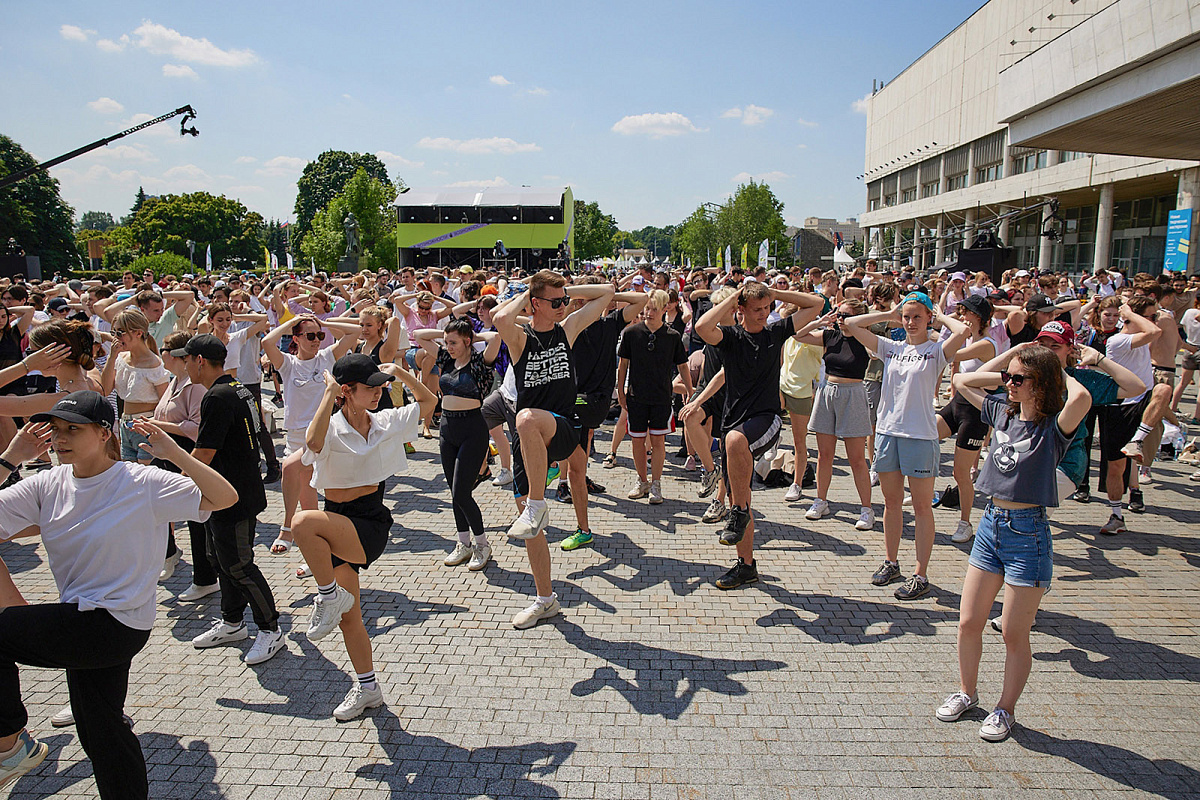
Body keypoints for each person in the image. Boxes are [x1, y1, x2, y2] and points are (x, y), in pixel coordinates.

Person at [0, 392, 236, 797]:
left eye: (73, 428)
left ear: (104, 432)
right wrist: (8, 459)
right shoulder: (47, 484)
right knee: (100, 729)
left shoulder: (141, 482)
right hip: (80, 618)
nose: (61, 438)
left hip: (115, 623)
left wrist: (174, 453)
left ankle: (9, 742)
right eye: (56, 429)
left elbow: (225, 497)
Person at [937, 344, 1090, 742]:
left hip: (1028, 534)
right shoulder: (1001, 410)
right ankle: (967, 692)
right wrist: (1011, 362)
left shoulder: (1053, 427)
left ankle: (1006, 709)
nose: (1009, 384)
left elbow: (1083, 397)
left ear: (1040, 385)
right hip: (990, 526)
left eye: (1018, 380)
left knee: (1012, 634)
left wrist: (1057, 370)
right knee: (969, 622)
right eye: (1008, 378)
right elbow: (962, 380)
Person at [292, 354, 435, 719]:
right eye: (370, 387)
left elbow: (429, 402)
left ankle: (327, 596)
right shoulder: (331, 425)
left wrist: (399, 372)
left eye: (379, 386)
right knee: (350, 617)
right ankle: (368, 687)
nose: (378, 391)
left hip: (369, 522)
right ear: (346, 391)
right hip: (336, 520)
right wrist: (327, 395)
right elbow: (311, 444)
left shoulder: (385, 420)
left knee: (302, 523)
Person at [493, 270, 615, 628]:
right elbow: (501, 317)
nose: (564, 306)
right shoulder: (520, 338)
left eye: (565, 301)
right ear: (534, 304)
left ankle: (537, 504)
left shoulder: (568, 330)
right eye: (556, 302)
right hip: (527, 443)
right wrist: (532, 288)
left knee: (527, 418)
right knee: (532, 530)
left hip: (561, 427)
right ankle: (545, 599)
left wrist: (563, 289)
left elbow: (606, 292)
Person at [694, 281, 824, 589]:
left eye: (767, 309)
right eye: (757, 309)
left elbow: (816, 304)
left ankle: (737, 514)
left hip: (767, 420)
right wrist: (734, 298)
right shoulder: (731, 338)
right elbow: (702, 326)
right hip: (733, 424)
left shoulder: (776, 333)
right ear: (741, 310)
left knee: (735, 444)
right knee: (742, 497)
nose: (763, 315)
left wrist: (776, 294)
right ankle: (746, 565)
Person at [845, 292, 969, 600]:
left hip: (921, 437)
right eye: (907, 317)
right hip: (888, 433)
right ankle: (891, 562)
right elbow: (850, 323)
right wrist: (888, 315)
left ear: (928, 318)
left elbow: (963, 332)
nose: (911, 322)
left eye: (917, 316)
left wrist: (939, 316)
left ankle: (920, 573)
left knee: (922, 506)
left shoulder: (936, 350)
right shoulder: (891, 348)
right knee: (891, 503)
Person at [180, 335, 284, 666]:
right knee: (219, 558)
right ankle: (232, 621)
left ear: (199, 360)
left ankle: (271, 630)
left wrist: (171, 483)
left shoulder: (218, 396)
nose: (184, 365)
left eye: (186, 359)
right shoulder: (237, 388)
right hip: (228, 492)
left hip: (233, 495)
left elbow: (204, 453)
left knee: (238, 564)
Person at [261, 314, 360, 553]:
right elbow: (267, 343)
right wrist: (292, 320)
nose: (317, 340)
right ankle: (308, 545)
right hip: (295, 434)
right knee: (305, 492)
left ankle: (289, 529)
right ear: (296, 338)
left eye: (320, 336)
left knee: (298, 473)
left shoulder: (326, 357)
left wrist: (325, 323)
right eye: (311, 336)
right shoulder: (288, 364)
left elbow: (354, 333)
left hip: (322, 433)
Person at [415, 320, 502, 571]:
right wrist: (448, 337)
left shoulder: (478, 363)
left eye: (454, 343)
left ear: (466, 342)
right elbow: (420, 335)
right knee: (455, 492)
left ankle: (482, 544)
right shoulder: (446, 358)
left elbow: (495, 338)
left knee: (462, 492)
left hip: (472, 430)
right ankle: (463, 542)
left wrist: (470, 337)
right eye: (446, 342)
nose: (448, 347)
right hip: (447, 429)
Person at [790, 301, 876, 530]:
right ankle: (821, 500)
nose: (840, 318)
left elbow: (877, 348)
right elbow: (798, 335)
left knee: (856, 458)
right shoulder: (830, 335)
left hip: (854, 394)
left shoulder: (864, 339)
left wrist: (856, 324)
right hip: (828, 392)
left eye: (845, 315)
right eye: (838, 313)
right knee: (824, 454)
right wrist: (819, 321)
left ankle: (867, 509)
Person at [152, 331, 216, 596]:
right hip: (168, 455)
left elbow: (196, 427)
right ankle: (170, 553)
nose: (161, 353)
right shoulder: (175, 381)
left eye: (164, 348)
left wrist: (156, 425)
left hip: (187, 455)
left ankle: (204, 578)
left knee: (196, 520)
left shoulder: (195, 385)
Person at [934, 294, 1000, 543]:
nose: (962, 317)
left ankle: (965, 523)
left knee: (961, 473)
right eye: (960, 313)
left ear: (979, 318)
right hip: (957, 405)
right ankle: (925, 491)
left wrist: (942, 319)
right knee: (926, 437)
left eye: (966, 313)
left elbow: (950, 355)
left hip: (975, 414)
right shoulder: (969, 338)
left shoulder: (986, 344)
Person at [617, 289, 693, 505]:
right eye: (647, 308)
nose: (649, 313)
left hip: (661, 396)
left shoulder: (672, 336)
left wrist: (689, 390)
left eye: (654, 309)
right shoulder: (632, 333)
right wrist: (621, 391)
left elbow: (682, 365)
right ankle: (642, 480)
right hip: (636, 396)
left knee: (658, 441)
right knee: (637, 440)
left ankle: (656, 483)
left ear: (665, 309)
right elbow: (623, 365)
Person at [99, 309, 170, 465]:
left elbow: (164, 403)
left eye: (120, 333)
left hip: (145, 424)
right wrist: (111, 357)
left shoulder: (154, 365)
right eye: (114, 333)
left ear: (138, 333)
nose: (116, 338)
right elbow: (105, 389)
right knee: (129, 474)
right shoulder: (121, 358)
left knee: (143, 476)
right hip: (125, 423)